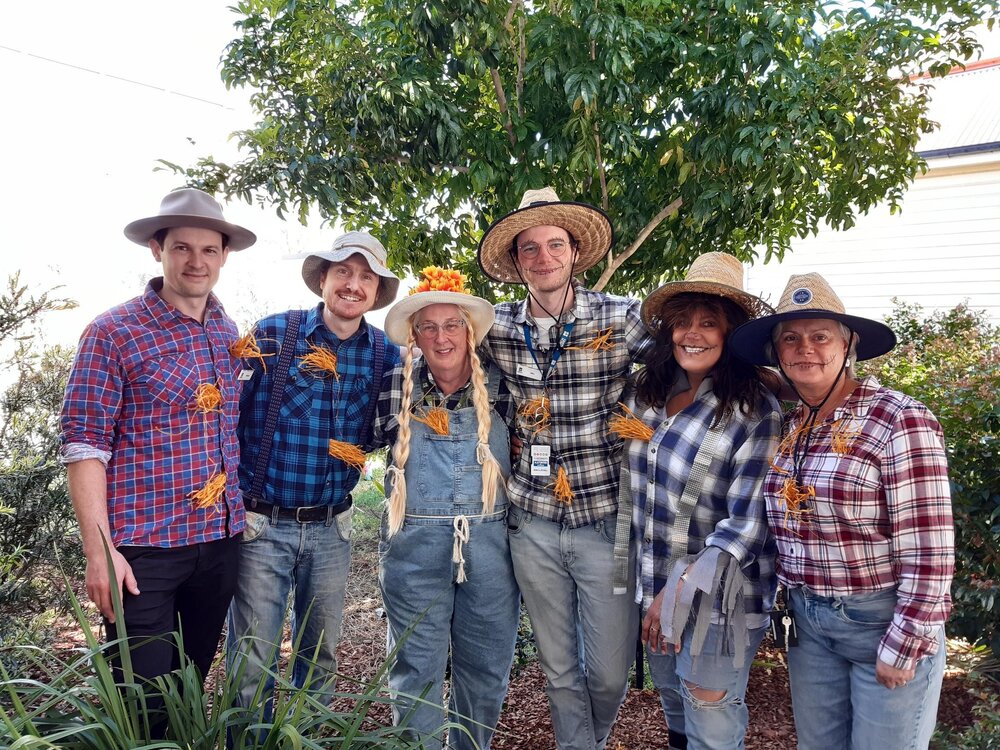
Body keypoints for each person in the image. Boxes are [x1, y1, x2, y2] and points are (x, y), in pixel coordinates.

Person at [729, 273, 954, 750]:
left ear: (848, 343)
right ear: (776, 352)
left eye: (820, 336)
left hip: (880, 621)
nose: (804, 348)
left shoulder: (897, 419)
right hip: (808, 626)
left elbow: (931, 549)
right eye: (790, 338)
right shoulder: (791, 426)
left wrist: (906, 642)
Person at [477, 187, 653, 750]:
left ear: (576, 252)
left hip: (605, 520)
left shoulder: (621, 317)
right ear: (517, 261)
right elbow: (437, 351)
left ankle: (587, 741)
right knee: (557, 668)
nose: (544, 257)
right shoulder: (495, 325)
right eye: (530, 249)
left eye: (556, 245)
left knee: (606, 671)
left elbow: (684, 367)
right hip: (533, 523)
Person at [60, 187, 256, 686]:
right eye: (182, 248)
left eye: (209, 249)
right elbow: (85, 445)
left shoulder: (223, 326)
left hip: (218, 543)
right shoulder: (113, 331)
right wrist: (99, 552)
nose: (197, 261)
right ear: (157, 249)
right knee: (142, 699)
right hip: (144, 552)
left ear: (224, 255)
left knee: (187, 689)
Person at [228, 231, 400, 714]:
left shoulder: (386, 354)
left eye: (366, 277)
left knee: (320, 655)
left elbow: (393, 427)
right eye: (343, 271)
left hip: (333, 528)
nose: (353, 284)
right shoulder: (273, 334)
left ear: (375, 291)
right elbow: (225, 418)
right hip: (261, 526)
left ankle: (302, 736)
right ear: (322, 278)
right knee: (251, 659)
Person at [615, 252, 781, 750]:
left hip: (720, 597)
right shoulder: (648, 393)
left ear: (732, 335)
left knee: (709, 710)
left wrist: (678, 591)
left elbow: (747, 524)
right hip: (654, 581)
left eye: (710, 323)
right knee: (674, 703)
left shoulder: (754, 410)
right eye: (682, 322)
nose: (693, 333)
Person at [372, 266, 519, 750]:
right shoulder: (394, 384)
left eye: (452, 325)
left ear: (469, 331)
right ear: (414, 336)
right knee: (416, 667)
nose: (441, 337)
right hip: (414, 547)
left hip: (490, 547)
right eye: (429, 327)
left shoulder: (502, 386)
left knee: (486, 667)